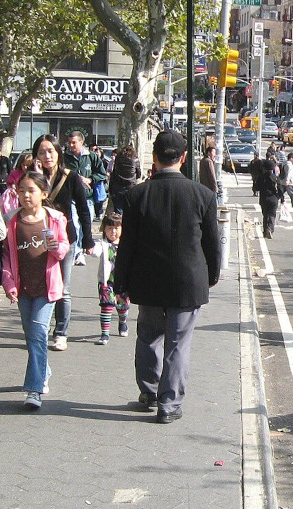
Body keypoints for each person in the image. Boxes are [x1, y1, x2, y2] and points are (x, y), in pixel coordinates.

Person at [114, 130, 221, 424]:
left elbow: (127, 244)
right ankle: (169, 403)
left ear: (155, 157)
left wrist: (119, 280)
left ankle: (149, 391)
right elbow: (212, 243)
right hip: (188, 280)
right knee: (178, 342)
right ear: (184, 158)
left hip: (147, 280)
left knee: (149, 336)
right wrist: (212, 275)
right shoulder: (203, 195)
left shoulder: (136, 195)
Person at [1, 171, 70, 409]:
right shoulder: (11, 220)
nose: (26, 196)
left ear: (43, 193)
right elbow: (8, 257)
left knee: (39, 333)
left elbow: (63, 249)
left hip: (46, 288)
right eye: (21, 191)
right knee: (31, 336)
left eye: (31, 191)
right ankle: (44, 369)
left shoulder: (54, 218)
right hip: (23, 288)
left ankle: (34, 389)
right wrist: (9, 284)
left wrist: (55, 248)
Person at [33, 134, 95, 352]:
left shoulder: (70, 176)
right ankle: (39, 328)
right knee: (40, 286)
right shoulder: (31, 178)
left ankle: (61, 332)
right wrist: (37, 178)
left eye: (51, 151)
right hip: (35, 238)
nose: (47, 156)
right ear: (36, 155)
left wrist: (88, 239)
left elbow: (83, 209)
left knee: (63, 288)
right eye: (42, 152)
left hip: (63, 239)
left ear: (58, 152)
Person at [89, 213, 129, 345]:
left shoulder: (126, 244)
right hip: (107, 281)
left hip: (123, 281)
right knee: (107, 306)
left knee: (123, 306)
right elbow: (96, 252)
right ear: (104, 229)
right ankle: (104, 334)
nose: (113, 231)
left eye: (117, 228)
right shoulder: (102, 244)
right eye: (110, 228)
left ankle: (122, 322)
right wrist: (90, 249)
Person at [64, 131, 107, 253]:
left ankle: (82, 248)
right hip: (71, 198)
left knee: (85, 225)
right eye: (69, 142)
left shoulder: (91, 156)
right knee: (75, 225)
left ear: (81, 142)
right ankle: (77, 252)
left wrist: (90, 179)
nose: (71, 145)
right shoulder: (64, 157)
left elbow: (102, 173)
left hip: (87, 198)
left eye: (74, 142)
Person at [107, 145, 140, 214]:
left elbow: (114, 171)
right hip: (130, 187)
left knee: (118, 210)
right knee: (130, 211)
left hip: (117, 187)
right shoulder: (135, 159)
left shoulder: (118, 158)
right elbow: (139, 174)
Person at [257, 158, 281, 239]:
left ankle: (265, 230)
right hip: (273, 198)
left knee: (265, 214)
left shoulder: (261, 177)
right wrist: (279, 197)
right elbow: (281, 189)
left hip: (264, 198)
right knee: (272, 214)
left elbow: (256, 188)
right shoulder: (275, 178)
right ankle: (270, 229)